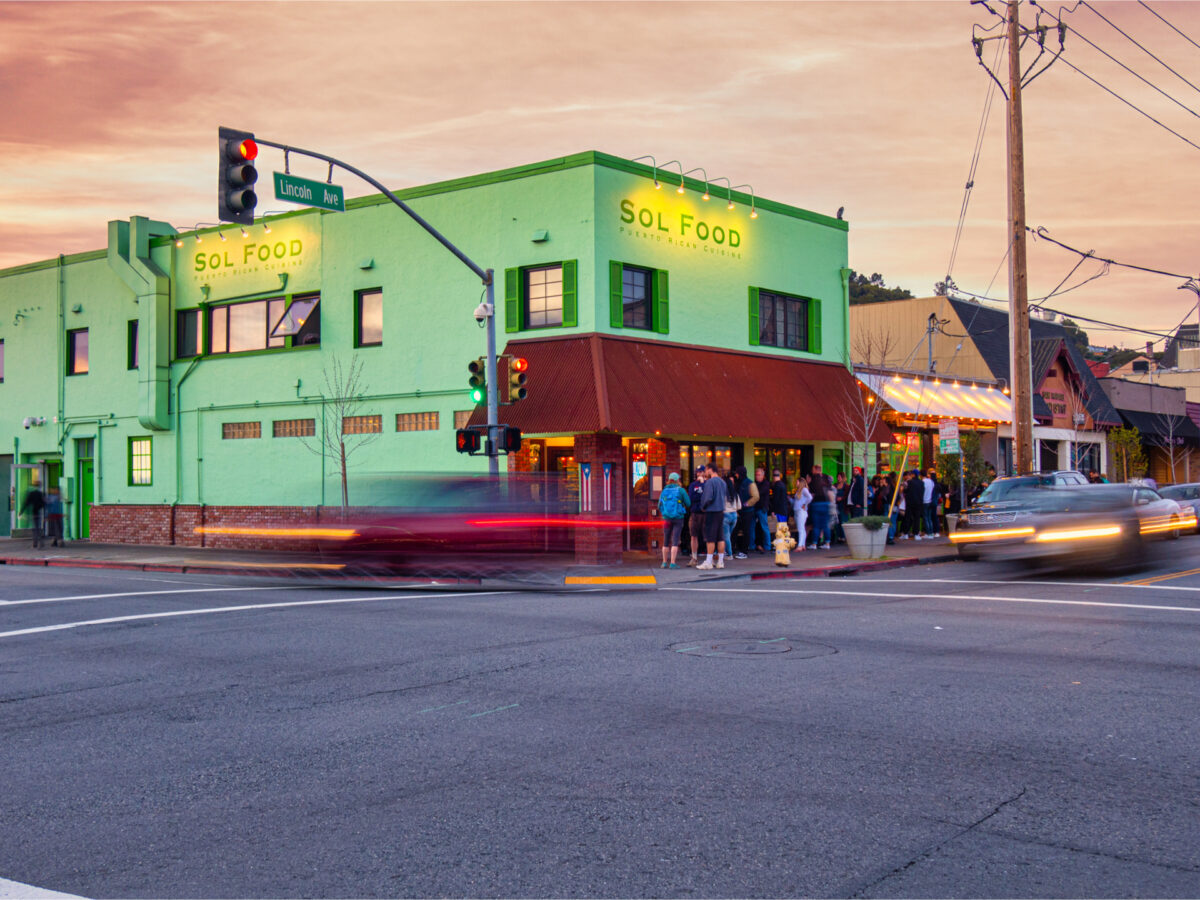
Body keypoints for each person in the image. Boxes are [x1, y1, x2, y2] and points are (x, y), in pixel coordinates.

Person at [696, 464, 729, 570]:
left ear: (710, 470)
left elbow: (708, 498)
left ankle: (709, 562)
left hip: (711, 511)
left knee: (710, 537)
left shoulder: (710, 482)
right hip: (721, 511)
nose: (705, 472)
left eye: (706, 470)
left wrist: (703, 506)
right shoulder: (723, 482)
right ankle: (720, 562)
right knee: (720, 537)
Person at [657, 473, 689, 569]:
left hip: (667, 519)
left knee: (666, 540)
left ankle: (664, 562)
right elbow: (688, 503)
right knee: (675, 540)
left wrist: (665, 513)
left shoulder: (664, 491)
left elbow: (659, 505)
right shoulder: (681, 490)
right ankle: (673, 563)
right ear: (678, 480)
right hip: (678, 518)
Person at [808, 464, 833, 550]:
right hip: (826, 503)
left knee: (816, 525)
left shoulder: (813, 479)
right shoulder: (826, 478)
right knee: (826, 525)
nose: (812, 471)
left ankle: (814, 544)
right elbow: (830, 488)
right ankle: (827, 543)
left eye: (813, 469)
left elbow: (811, 493)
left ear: (815, 469)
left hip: (816, 503)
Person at [687, 466, 707, 567]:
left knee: (707, 536)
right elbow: (691, 498)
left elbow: (707, 497)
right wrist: (700, 496)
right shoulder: (692, 485)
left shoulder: (707, 484)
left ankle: (709, 558)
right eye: (698, 472)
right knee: (693, 536)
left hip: (706, 513)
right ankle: (694, 558)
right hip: (695, 512)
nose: (699, 474)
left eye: (701, 472)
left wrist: (703, 484)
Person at [734, 465, 756, 558]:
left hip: (747, 511)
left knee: (746, 530)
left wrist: (746, 504)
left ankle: (744, 551)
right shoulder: (738, 483)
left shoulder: (750, 483)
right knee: (736, 530)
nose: (736, 475)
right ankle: (738, 549)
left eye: (737, 473)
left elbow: (756, 496)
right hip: (739, 511)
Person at [722, 471, 741, 560]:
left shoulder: (723, 494)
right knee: (728, 535)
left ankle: (729, 554)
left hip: (725, 515)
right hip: (734, 516)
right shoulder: (735, 494)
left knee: (726, 536)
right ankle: (726, 552)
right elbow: (739, 506)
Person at [903, 469, 925, 540]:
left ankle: (906, 533)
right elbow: (922, 492)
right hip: (918, 503)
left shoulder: (909, 482)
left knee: (907, 518)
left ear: (913, 474)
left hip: (909, 502)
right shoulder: (921, 483)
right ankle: (916, 534)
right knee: (917, 519)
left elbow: (905, 491)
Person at [752, 467, 771, 553]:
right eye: (756, 475)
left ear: (763, 475)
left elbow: (758, 493)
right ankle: (752, 545)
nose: (757, 476)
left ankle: (767, 545)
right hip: (754, 507)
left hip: (762, 508)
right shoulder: (754, 483)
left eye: (759, 475)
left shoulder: (765, 483)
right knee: (752, 527)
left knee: (764, 527)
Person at [792, 473, 812, 551]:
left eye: (797, 482)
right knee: (802, 528)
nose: (796, 483)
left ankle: (800, 545)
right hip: (798, 510)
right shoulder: (799, 491)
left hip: (801, 511)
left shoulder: (804, 489)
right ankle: (803, 544)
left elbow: (810, 497)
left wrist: (805, 504)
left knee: (800, 528)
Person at [922, 468, 937, 537]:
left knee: (925, 517)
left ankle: (928, 533)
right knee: (929, 517)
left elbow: (922, 491)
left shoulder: (923, 482)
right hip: (930, 501)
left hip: (924, 501)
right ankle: (931, 532)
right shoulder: (931, 482)